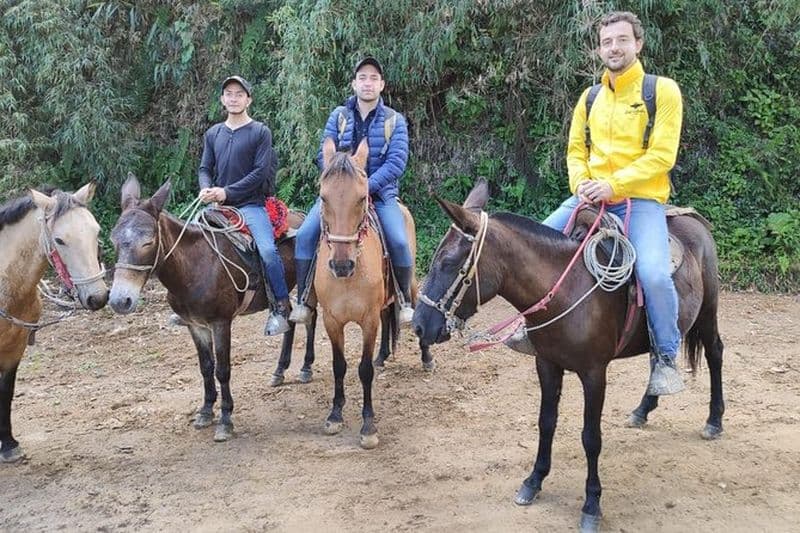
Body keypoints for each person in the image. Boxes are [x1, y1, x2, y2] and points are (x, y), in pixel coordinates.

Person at [542, 11, 685, 395]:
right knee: (534, 245)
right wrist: (582, 183)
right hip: (588, 195)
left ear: (638, 44)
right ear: (599, 49)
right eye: (607, 42)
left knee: (654, 274)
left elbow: (662, 155)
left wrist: (613, 185)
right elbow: (575, 150)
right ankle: (535, 330)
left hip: (640, 201)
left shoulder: (662, 91)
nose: (614, 47)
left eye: (622, 40)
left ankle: (667, 357)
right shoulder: (589, 98)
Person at [290, 57, 415, 325]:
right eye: (362, 78)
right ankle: (304, 299)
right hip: (339, 197)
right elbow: (323, 155)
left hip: (380, 196)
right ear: (354, 83)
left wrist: (365, 187)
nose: (367, 83)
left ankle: (404, 298)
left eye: (373, 78)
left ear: (382, 84)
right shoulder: (339, 116)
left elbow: (396, 163)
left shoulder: (395, 121)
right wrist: (339, 185)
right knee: (305, 235)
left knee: (399, 239)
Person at [198, 75, 291, 336]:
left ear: (248, 99)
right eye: (229, 93)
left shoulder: (260, 132)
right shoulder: (213, 133)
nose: (234, 98)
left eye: (239, 94)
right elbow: (205, 168)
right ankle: (191, 303)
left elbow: (260, 173)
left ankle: (281, 306)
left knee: (268, 252)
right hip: (217, 207)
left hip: (250, 206)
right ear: (222, 99)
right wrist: (206, 187)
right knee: (190, 242)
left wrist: (225, 192)